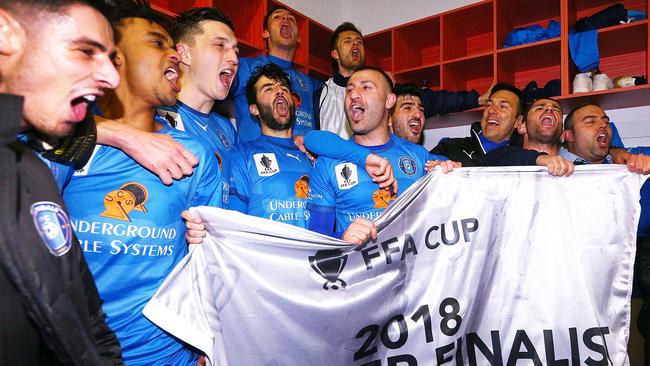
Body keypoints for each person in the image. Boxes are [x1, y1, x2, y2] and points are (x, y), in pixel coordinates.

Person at [61, 4, 221, 364]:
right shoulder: (61, 141)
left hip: (164, 355)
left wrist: (205, 345)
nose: (174, 55)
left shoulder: (194, 155)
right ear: (112, 60)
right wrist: (116, 134)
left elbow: (209, 268)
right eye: (156, 42)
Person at [0, 0, 123, 364]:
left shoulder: (34, 173)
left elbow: (90, 321)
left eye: (110, 57)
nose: (112, 78)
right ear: (5, 36)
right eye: (86, 51)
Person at [307, 66, 453, 245]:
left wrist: (450, 173)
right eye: (350, 90)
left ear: (389, 100)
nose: (353, 95)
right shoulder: (327, 164)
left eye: (366, 87)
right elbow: (316, 237)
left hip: (414, 270)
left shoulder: (418, 156)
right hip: (360, 270)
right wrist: (342, 238)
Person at [316, 22, 491, 141]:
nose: (355, 45)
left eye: (359, 42)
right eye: (348, 41)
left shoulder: (383, 88)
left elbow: (431, 100)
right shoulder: (320, 94)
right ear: (335, 54)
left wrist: (477, 99)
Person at [160, 7, 239, 206]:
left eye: (236, 51)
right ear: (184, 54)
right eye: (220, 45)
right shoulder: (153, 116)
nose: (234, 59)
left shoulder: (227, 130)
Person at [229, 63, 313, 227]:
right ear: (254, 109)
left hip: (315, 252)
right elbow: (235, 225)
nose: (279, 91)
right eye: (268, 89)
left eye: (284, 88)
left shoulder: (313, 153)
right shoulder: (242, 154)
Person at [231, 7, 322, 143]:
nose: (285, 19)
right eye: (277, 17)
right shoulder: (245, 67)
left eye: (291, 18)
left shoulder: (310, 82)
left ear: (298, 39)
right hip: (261, 159)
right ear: (266, 33)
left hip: (305, 160)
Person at [430, 82, 525, 166]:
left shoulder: (523, 159)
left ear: (518, 121)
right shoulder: (449, 148)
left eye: (503, 106)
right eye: (488, 105)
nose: (492, 110)